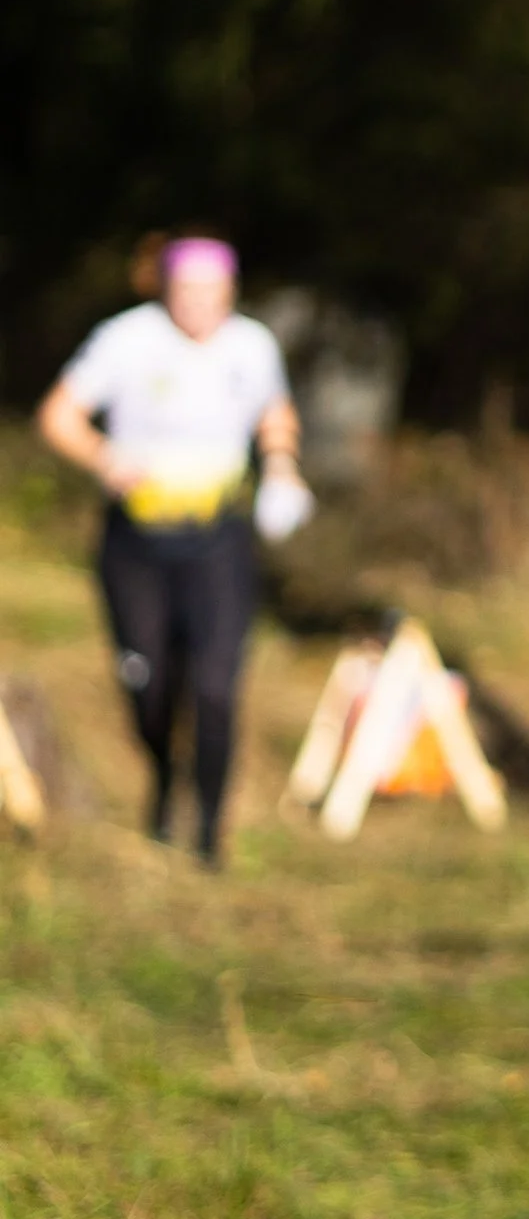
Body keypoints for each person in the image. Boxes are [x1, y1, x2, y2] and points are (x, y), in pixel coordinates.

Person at [38, 237, 306, 865]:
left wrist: (282, 470)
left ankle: (209, 834)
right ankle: (163, 778)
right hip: (137, 541)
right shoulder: (126, 339)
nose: (200, 305)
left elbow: (274, 412)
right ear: (165, 289)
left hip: (218, 538)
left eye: (214, 293)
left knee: (215, 686)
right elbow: (58, 416)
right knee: (150, 685)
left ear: (231, 292)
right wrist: (103, 457)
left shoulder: (252, 345)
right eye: (188, 292)